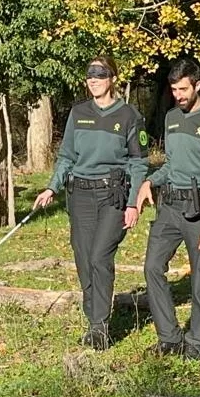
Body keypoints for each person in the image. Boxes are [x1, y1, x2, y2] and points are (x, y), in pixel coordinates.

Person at [33, 56, 149, 350]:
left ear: (113, 77)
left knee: (100, 256)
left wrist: (134, 202)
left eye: (100, 74)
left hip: (112, 195)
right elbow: (67, 156)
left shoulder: (129, 115)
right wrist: (52, 187)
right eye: (90, 75)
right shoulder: (79, 112)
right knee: (84, 259)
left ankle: (100, 326)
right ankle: (93, 320)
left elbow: (138, 162)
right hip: (80, 195)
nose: (93, 79)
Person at [135, 57, 200, 360]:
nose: (178, 95)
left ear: (198, 85)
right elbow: (172, 166)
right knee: (152, 267)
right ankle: (169, 338)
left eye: (183, 89)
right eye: (174, 89)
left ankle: (196, 342)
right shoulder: (171, 118)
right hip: (170, 208)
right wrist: (149, 182)